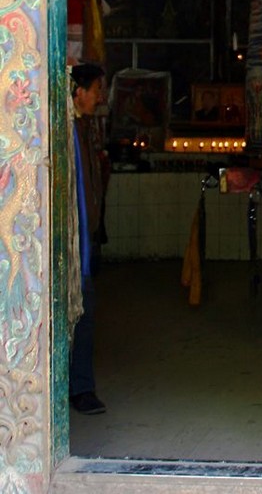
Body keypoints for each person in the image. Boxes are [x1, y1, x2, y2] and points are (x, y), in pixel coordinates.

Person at [69, 61, 109, 415]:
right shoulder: (66, 131)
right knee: (81, 314)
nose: (100, 98)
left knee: (84, 313)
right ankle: (80, 389)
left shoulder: (83, 128)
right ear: (78, 93)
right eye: (97, 90)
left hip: (86, 237)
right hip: (72, 243)